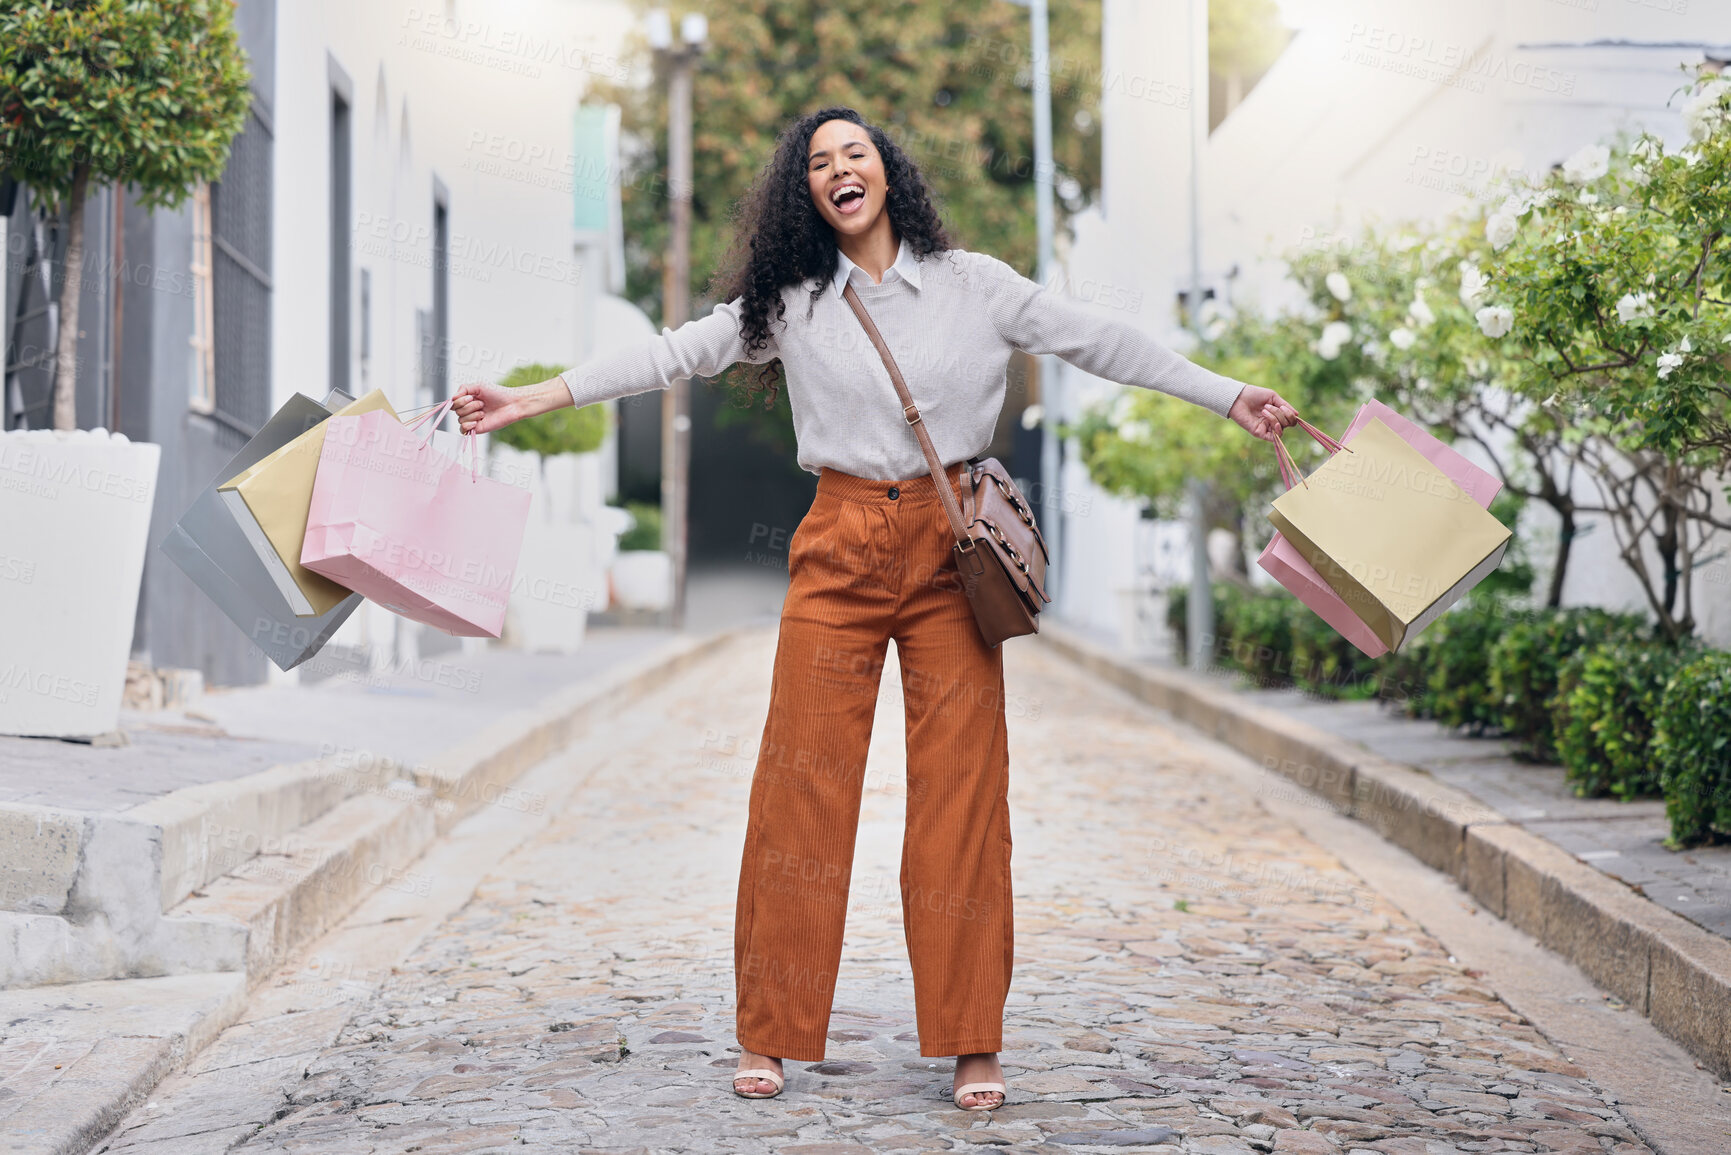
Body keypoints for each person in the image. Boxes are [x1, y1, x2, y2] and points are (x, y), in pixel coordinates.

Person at [453, 105, 1299, 1112]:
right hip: (840, 545)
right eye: (818, 162)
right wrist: (531, 397)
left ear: (886, 172)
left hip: (956, 555)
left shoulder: (974, 285)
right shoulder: (792, 303)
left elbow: (1099, 340)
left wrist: (1225, 394)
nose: (839, 169)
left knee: (963, 797)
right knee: (797, 790)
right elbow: (673, 353)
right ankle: (770, 1031)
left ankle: (971, 1040)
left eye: (855, 152)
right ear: (806, 195)